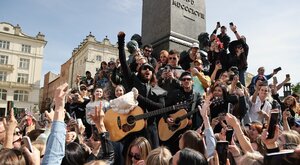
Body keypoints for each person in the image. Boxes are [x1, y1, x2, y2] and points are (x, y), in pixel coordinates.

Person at [118, 31, 166, 150]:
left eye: (150, 69)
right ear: (139, 71)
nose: (147, 70)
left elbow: (160, 106)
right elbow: (123, 63)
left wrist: (139, 98)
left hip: (150, 129)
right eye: (144, 68)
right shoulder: (133, 80)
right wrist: (121, 41)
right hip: (132, 127)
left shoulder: (157, 88)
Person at [163, 71, 203, 154]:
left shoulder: (197, 96)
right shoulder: (175, 94)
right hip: (174, 131)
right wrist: (166, 118)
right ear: (181, 82)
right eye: (184, 79)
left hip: (189, 130)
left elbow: (200, 113)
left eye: (188, 79)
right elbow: (164, 108)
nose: (186, 81)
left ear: (192, 81)